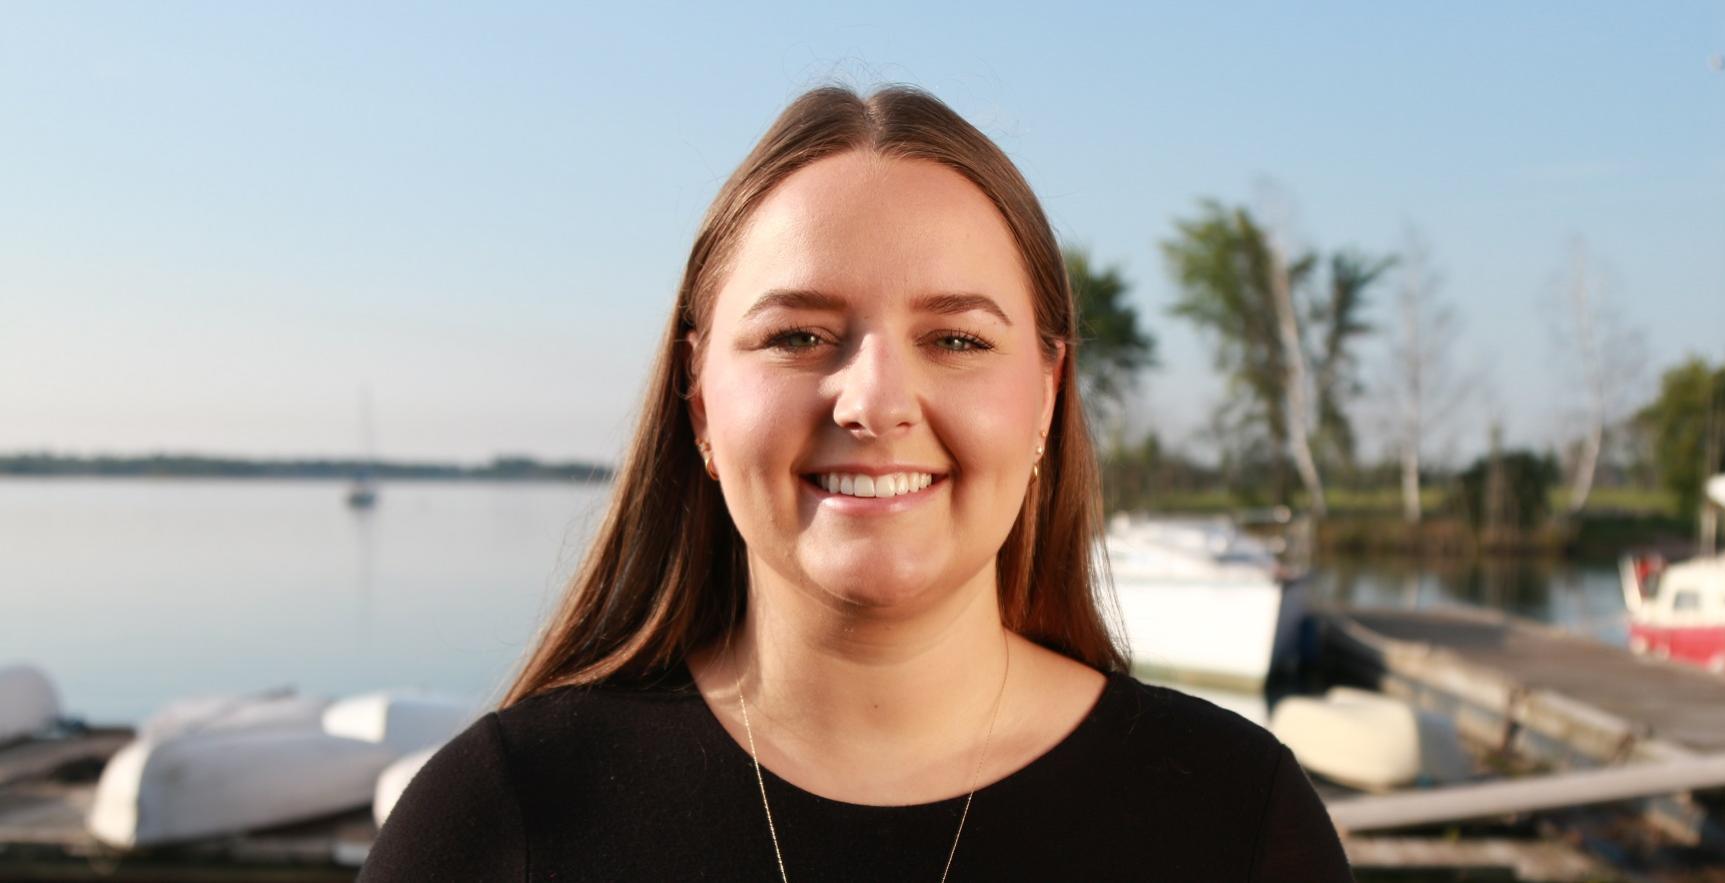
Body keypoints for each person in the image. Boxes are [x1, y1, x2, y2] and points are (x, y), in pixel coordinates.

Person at [358, 84, 1352, 882]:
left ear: (1047, 397)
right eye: (798, 336)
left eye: (957, 339)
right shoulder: (504, 817)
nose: (874, 401)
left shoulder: (1232, 820)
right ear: (699, 401)